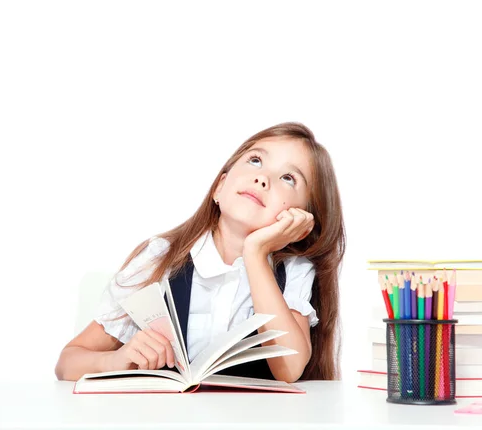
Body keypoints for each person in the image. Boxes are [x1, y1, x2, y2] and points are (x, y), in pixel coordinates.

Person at [55, 122, 346, 383]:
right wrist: (116, 360)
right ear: (219, 187)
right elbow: (67, 363)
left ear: (301, 220)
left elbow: (289, 368)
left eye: (288, 178)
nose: (263, 179)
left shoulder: (294, 270)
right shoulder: (160, 258)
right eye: (255, 161)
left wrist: (255, 253)